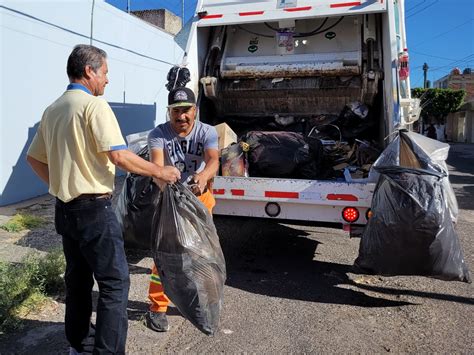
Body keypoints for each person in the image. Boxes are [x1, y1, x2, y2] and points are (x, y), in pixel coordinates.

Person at [26, 44, 180, 354]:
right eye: (105, 73)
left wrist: (60, 184)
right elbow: (120, 156)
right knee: (115, 284)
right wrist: (159, 172)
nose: (107, 80)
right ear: (89, 71)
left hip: (64, 210)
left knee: (78, 280)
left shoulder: (53, 108)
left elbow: (34, 159)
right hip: (94, 209)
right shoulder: (94, 106)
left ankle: (79, 344)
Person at [145, 87, 219, 332]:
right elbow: (156, 167)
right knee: (167, 258)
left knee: (201, 256)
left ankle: (200, 303)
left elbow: (213, 160)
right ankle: (157, 307)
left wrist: (202, 176)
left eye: (186, 110)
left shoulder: (207, 131)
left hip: (201, 202)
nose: (182, 117)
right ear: (169, 112)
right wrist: (165, 181)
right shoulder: (158, 134)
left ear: (194, 110)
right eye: (176, 111)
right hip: (170, 203)